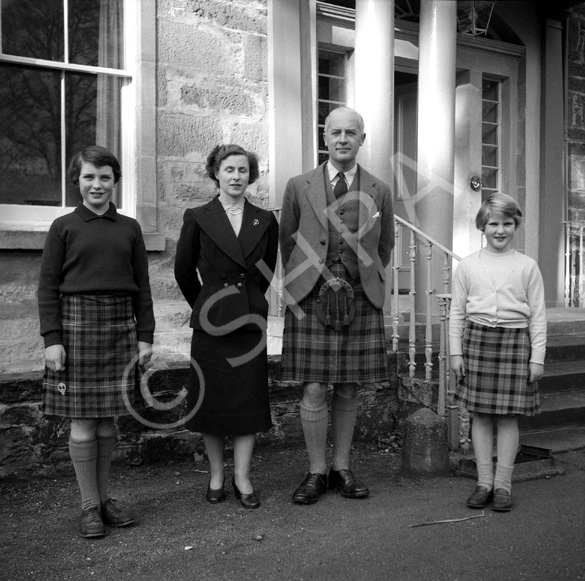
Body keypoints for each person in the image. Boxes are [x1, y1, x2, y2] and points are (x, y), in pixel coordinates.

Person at [279, 106, 395, 504]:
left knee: (348, 386)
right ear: (324, 138)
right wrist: (312, 278)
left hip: (360, 295)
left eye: (351, 132)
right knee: (313, 385)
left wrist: (359, 277)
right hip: (311, 294)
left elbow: (385, 245)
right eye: (335, 132)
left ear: (363, 139)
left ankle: (341, 467)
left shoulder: (379, 190)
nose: (343, 139)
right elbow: (288, 241)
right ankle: (315, 472)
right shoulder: (298, 185)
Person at [38, 145, 155, 538]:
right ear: (77, 181)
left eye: (105, 177)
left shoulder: (130, 228)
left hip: (119, 326)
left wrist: (145, 337)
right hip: (76, 328)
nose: (97, 184)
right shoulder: (63, 227)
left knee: (108, 423)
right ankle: (88, 505)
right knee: (84, 420)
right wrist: (52, 338)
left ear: (115, 180)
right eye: (89, 176)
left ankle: (105, 499)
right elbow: (47, 287)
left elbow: (143, 288)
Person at [174, 144, 278, 509]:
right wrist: (207, 306)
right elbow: (184, 272)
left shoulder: (264, 220)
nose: (236, 177)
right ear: (216, 173)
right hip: (211, 324)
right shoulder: (198, 216)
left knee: (247, 400)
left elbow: (266, 272)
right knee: (212, 403)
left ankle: (242, 478)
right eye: (229, 170)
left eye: (243, 171)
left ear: (251, 176)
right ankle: (217, 475)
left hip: (249, 323)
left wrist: (246, 302)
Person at [449, 192, 546, 512]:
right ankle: (484, 482)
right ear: (482, 226)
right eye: (493, 223)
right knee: (480, 415)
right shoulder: (468, 266)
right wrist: (455, 353)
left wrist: (537, 358)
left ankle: (503, 486)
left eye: (507, 223)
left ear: (516, 224)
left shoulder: (527, 266)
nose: (500, 230)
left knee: (506, 419)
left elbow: (538, 316)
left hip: (515, 343)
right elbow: (458, 314)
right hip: (476, 342)